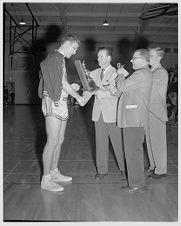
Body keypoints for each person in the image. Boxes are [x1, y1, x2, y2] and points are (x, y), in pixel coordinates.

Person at [38, 34, 84, 192]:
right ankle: (46, 179)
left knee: (59, 140)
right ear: (67, 44)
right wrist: (77, 96)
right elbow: (60, 83)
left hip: (61, 102)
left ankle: (54, 171)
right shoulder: (54, 57)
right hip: (53, 101)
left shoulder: (61, 60)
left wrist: (72, 88)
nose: (75, 52)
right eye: (75, 48)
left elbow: (61, 82)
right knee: (52, 141)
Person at [111, 49, 153, 192]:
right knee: (134, 151)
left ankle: (136, 184)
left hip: (134, 119)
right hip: (135, 118)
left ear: (142, 59)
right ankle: (137, 182)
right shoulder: (143, 74)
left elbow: (123, 86)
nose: (131, 61)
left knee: (132, 151)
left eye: (134, 58)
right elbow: (131, 86)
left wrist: (119, 76)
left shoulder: (141, 73)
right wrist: (125, 76)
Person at [83, 48, 125, 180]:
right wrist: (81, 100)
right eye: (98, 57)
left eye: (101, 57)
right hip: (98, 113)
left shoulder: (117, 73)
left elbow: (120, 92)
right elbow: (89, 89)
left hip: (112, 113)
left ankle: (124, 168)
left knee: (118, 142)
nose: (98, 59)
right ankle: (102, 170)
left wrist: (103, 93)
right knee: (100, 142)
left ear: (109, 58)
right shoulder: (94, 73)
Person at [146, 47, 168, 179]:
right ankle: (153, 165)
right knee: (149, 141)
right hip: (148, 110)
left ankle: (161, 170)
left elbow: (147, 85)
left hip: (156, 112)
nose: (149, 58)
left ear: (159, 58)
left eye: (151, 55)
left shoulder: (160, 72)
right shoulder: (151, 71)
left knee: (158, 142)